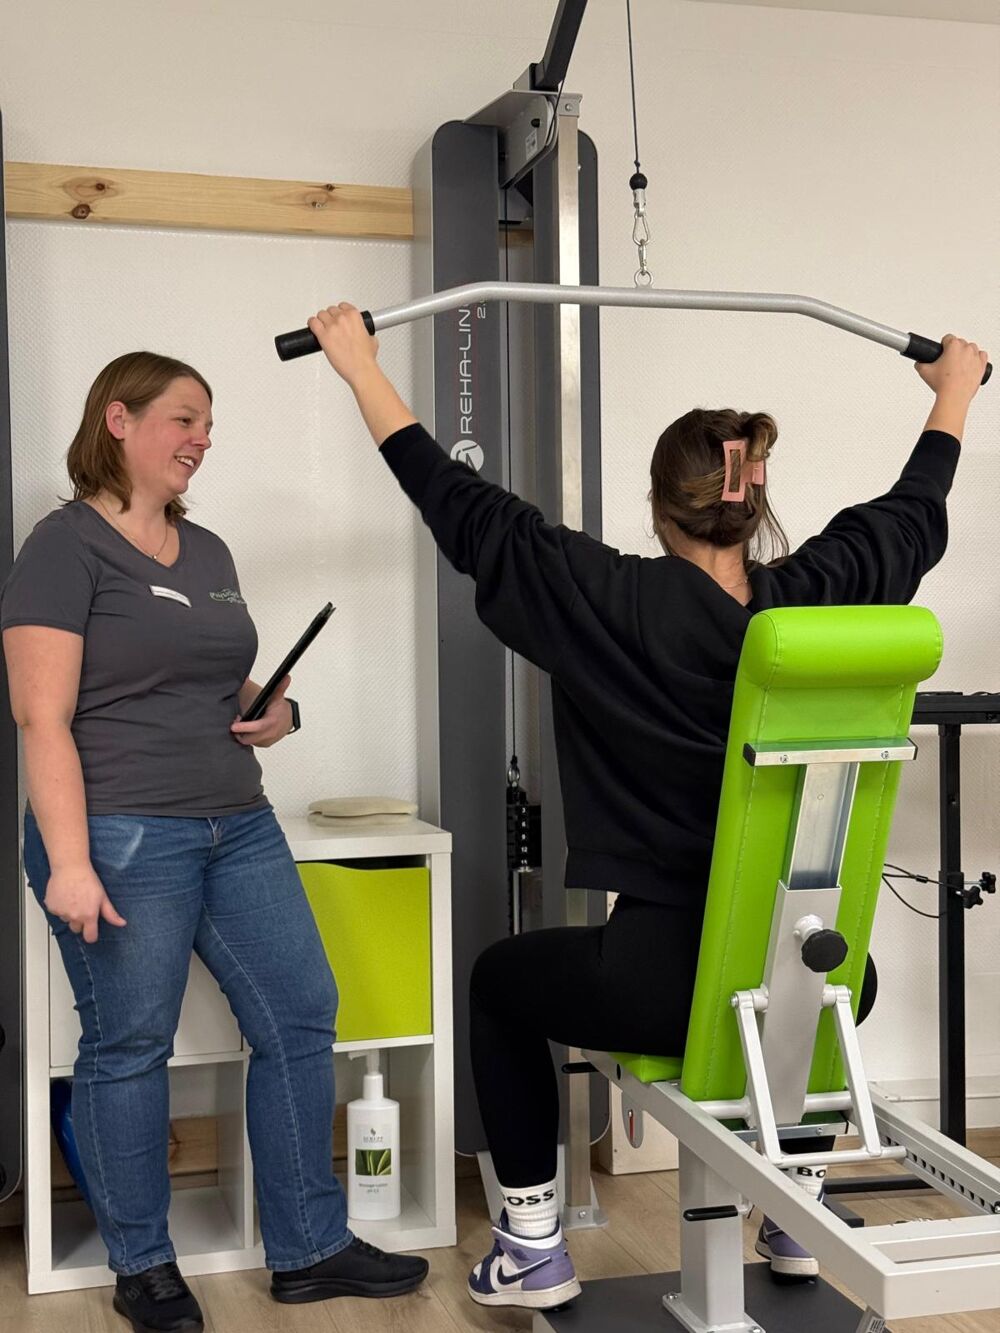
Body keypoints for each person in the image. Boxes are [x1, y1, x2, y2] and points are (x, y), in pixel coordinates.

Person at [308, 303, 988, 1311]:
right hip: (819, 976)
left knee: (498, 982)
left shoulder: (605, 599)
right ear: (754, 502)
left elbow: (464, 509)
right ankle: (794, 1205)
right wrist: (955, 393)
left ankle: (531, 1244)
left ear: (661, 507)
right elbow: (910, 516)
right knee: (813, 990)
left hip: (661, 981)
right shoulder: (823, 594)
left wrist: (361, 367)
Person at [1, 352, 427, 1333]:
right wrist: (71, 861)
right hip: (120, 832)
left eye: (208, 424)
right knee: (129, 1044)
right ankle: (144, 1266)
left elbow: (208, 675)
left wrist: (272, 709)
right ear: (118, 419)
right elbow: (41, 716)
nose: (202, 438)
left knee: (300, 1012)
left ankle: (309, 1247)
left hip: (237, 824)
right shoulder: (62, 548)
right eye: (184, 419)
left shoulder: (208, 551)